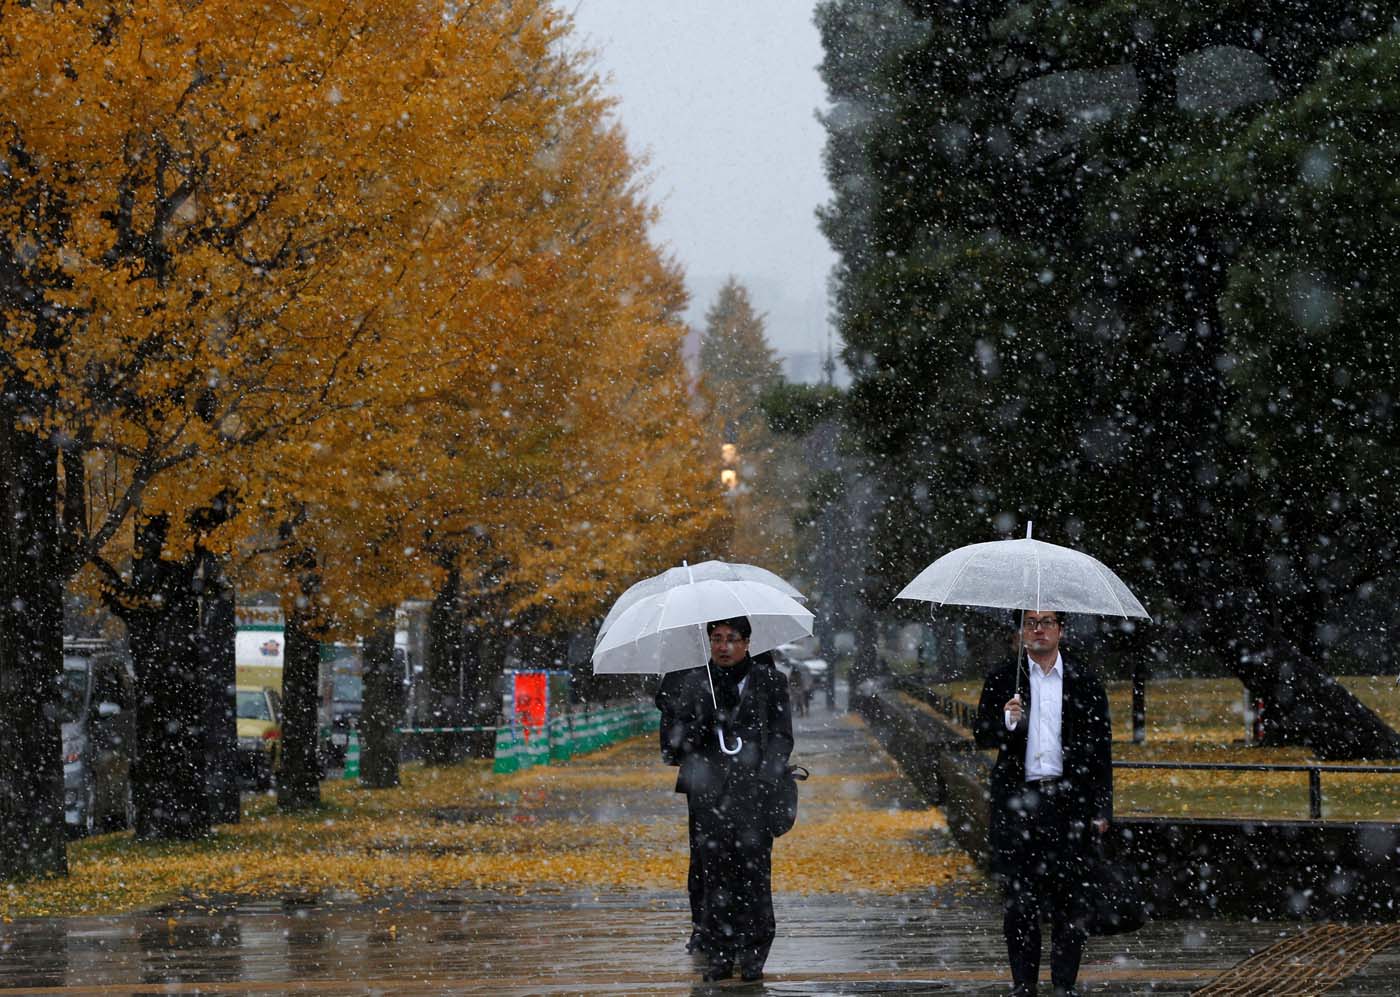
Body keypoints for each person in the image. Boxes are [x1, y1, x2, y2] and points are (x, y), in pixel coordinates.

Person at [974, 611, 1112, 997]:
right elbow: (981, 736)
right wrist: (1006, 720)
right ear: (1021, 631)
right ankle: (1023, 983)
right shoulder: (1005, 677)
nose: (1038, 629)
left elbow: (1101, 748)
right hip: (1018, 804)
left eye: (1047, 622)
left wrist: (1102, 808)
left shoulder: (1083, 679)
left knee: (1071, 900)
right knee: (1020, 902)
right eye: (1031, 622)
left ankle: (1064, 983)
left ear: (1060, 630)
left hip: (1069, 804)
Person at [668, 619, 793, 983]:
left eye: (731, 639)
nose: (723, 647)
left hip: (755, 797)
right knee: (715, 878)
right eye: (716, 639)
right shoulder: (694, 684)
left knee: (754, 875)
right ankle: (720, 953)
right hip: (708, 799)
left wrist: (767, 777)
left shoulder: (771, 681)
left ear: (747, 643)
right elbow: (674, 746)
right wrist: (703, 723)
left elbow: (783, 737)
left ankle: (754, 952)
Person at [655, 663, 707, 952]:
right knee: (703, 854)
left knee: (746, 856)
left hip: (747, 780)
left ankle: (743, 926)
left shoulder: (760, 668)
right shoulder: (684, 670)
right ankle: (704, 926)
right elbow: (672, 735)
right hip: (702, 778)